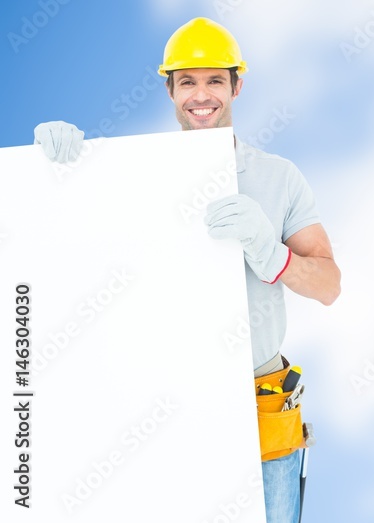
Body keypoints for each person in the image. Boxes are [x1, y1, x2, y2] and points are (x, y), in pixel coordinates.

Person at [32, 17, 341, 523]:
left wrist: (272, 252)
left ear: (237, 85)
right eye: (188, 81)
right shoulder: (134, 175)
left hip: (258, 406)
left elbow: (329, 286)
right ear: (170, 89)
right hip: (163, 406)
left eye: (215, 80)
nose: (203, 94)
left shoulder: (278, 177)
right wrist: (55, 167)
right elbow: (67, 250)